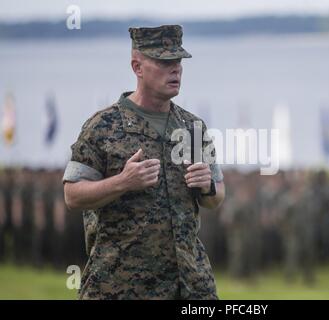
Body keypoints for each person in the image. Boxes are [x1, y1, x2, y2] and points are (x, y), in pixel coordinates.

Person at [62, 25, 225, 300]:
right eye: (164, 62)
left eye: (178, 62)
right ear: (137, 67)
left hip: (190, 285)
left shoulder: (193, 127)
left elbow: (217, 196)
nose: (175, 69)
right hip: (121, 286)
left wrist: (207, 185)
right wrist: (123, 182)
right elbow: (72, 195)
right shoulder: (103, 127)